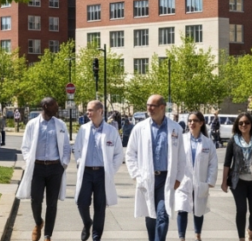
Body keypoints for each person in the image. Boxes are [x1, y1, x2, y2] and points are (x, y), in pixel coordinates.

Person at [125, 94, 187, 241]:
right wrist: (136, 175)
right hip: (147, 177)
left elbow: (181, 158)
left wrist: (178, 178)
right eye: (148, 105)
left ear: (162, 107)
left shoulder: (175, 129)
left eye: (152, 105)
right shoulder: (139, 128)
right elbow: (130, 154)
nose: (149, 108)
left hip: (165, 178)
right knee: (150, 216)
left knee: (162, 214)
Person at [16, 97, 71, 241]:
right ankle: (38, 222)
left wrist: (63, 164)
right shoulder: (32, 124)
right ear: (46, 106)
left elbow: (66, 147)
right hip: (37, 168)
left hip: (55, 169)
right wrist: (29, 162)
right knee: (36, 200)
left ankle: (47, 235)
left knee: (52, 203)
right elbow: (25, 147)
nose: (57, 108)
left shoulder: (60, 125)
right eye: (55, 105)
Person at [73, 101, 124, 241]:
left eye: (90, 110)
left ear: (100, 111)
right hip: (86, 173)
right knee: (81, 203)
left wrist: (111, 170)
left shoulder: (111, 131)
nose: (88, 113)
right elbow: (76, 149)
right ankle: (87, 222)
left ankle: (96, 237)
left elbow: (119, 154)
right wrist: (79, 162)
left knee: (100, 207)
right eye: (87, 110)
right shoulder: (83, 129)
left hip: (102, 174)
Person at [221, 112, 252, 241]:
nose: (244, 125)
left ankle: (250, 229)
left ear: (251, 124)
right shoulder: (233, 141)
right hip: (238, 181)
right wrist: (223, 181)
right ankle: (242, 238)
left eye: (247, 123)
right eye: (241, 123)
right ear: (237, 125)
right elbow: (227, 163)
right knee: (241, 209)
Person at [176, 112, 218, 241]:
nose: (191, 123)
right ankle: (181, 237)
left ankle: (197, 235)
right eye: (189, 121)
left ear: (201, 123)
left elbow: (213, 163)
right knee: (182, 208)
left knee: (198, 209)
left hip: (200, 181)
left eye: (194, 121)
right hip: (184, 180)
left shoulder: (207, 143)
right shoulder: (181, 139)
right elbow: (175, 160)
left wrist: (210, 181)